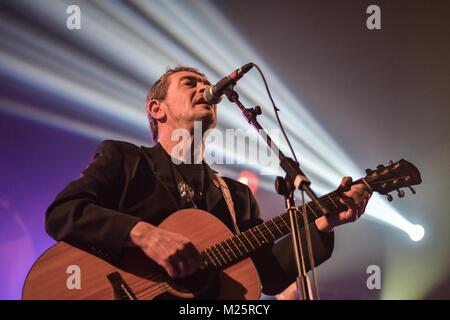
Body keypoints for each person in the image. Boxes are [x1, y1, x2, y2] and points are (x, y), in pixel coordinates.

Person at [45, 66, 371, 297]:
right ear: (157, 109)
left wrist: (322, 224)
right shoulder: (126, 159)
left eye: (205, 83)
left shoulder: (235, 195)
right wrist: (143, 234)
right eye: (190, 83)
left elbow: (268, 275)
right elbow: (63, 212)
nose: (205, 88)